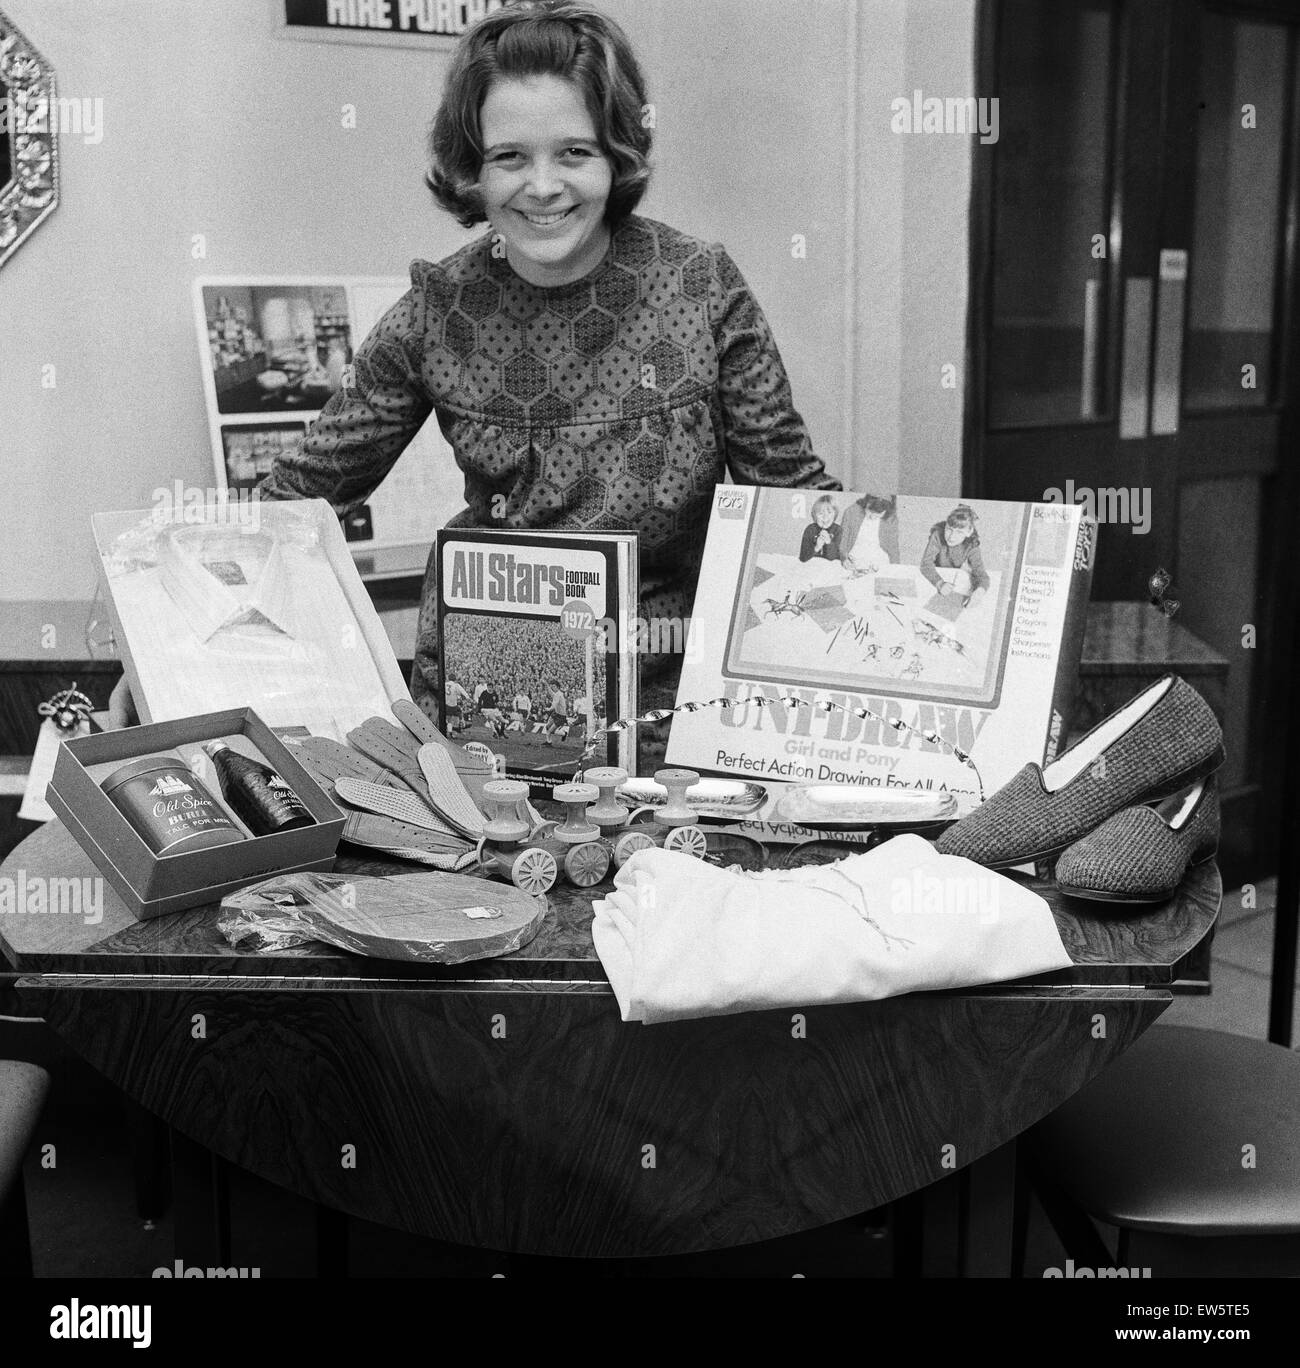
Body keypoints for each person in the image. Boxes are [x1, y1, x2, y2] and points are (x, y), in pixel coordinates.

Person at [244, 0, 839, 748]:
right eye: (510, 157)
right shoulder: (440, 306)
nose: (544, 186)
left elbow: (792, 499)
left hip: (671, 727)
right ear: (473, 169)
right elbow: (291, 501)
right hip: (483, 721)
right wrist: (164, 643)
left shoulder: (700, 284)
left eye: (575, 153)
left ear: (618, 156)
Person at [921, 504, 990, 611]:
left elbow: (982, 576)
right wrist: (939, 583)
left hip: (954, 580)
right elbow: (926, 564)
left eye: (959, 532)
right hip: (935, 578)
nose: (951, 537)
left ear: (969, 532)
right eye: (949, 529)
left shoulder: (972, 546)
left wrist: (979, 593)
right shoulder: (937, 535)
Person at [840, 493, 898, 573]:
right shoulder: (851, 512)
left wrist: (896, 569)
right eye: (870, 511)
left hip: (880, 562)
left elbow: (893, 547)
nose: (872, 517)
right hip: (854, 560)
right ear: (866, 502)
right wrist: (844, 558)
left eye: (878, 514)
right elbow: (843, 539)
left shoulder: (891, 519)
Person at [798, 494, 842, 563]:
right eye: (821, 513)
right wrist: (817, 547)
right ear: (815, 516)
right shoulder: (810, 530)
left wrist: (828, 543)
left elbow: (836, 558)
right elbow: (802, 558)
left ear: (835, 514)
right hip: (813, 568)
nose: (825, 517)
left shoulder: (838, 530)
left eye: (829, 512)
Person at [542, 678, 568, 746]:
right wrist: (546, 685)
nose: (553, 688)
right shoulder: (557, 694)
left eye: (554, 686)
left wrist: (548, 709)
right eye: (552, 686)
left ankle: (563, 733)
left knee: (551, 731)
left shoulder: (558, 695)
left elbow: (554, 705)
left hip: (561, 716)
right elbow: (551, 693)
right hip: (556, 713)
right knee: (547, 726)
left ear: (558, 687)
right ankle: (548, 741)